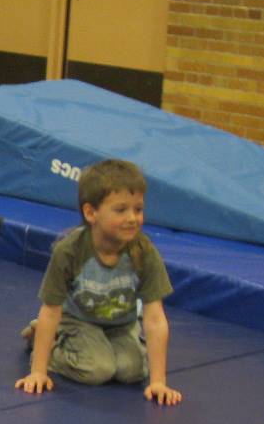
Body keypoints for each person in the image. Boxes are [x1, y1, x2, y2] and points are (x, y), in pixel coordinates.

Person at [16, 157, 181, 405]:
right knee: (98, 369)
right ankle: (50, 342)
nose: (133, 218)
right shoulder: (71, 251)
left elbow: (155, 318)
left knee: (132, 371)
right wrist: (38, 371)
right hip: (78, 319)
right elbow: (51, 310)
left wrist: (158, 382)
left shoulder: (143, 252)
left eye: (138, 209)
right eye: (121, 210)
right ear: (91, 212)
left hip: (120, 324)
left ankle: (95, 345)